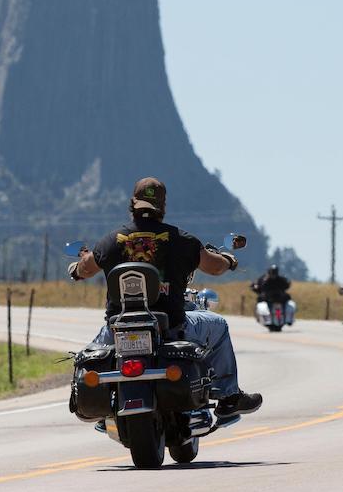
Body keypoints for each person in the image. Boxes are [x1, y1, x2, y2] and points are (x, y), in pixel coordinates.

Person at [68, 177, 262, 418]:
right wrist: (228, 260)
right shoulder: (182, 240)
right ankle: (228, 396)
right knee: (219, 326)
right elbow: (214, 267)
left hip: (118, 329)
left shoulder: (110, 241)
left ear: (133, 204)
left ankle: (98, 408)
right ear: (162, 207)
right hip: (170, 327)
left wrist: (77, 268)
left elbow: (85, 269)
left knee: (87, 358)